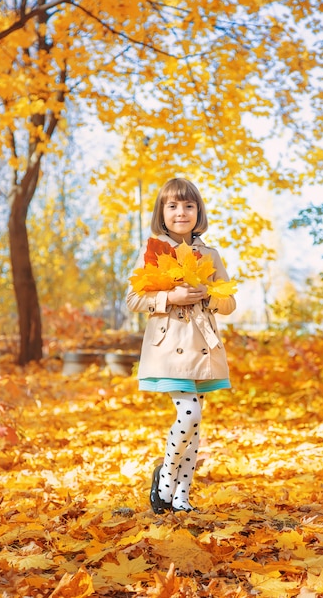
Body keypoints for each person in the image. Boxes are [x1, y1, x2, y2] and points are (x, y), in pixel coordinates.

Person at [126, 177, 236, 513]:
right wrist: (168, 297)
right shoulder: (154, 251)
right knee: (190, 413)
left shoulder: (210, 254)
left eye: (188, 206)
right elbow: (133, 299)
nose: (181, 212)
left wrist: (212, 296)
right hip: (168, 346)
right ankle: (164, 479)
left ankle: (181, 496)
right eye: (172, 206)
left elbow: (229, 303)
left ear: (198, 212)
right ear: (162, 212)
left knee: (196, 424)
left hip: (203, 346)